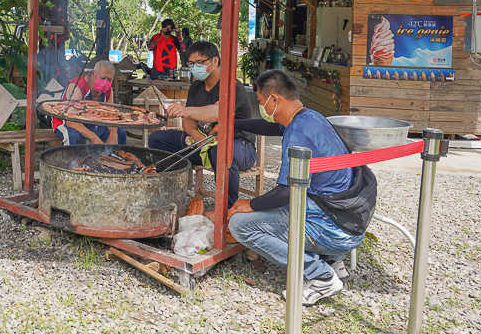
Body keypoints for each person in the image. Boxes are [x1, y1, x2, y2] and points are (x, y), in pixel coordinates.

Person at [227, 69, 376, 306]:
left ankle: (320, 275)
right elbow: (272, 128)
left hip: (334, 229)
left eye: (262, 102)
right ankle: (332, 260)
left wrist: (250, 204)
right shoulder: (311, 117)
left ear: (275, 99)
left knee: (240, 225)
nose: (263, 108)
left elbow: (286, 192)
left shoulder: (298, 133)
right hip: (348, 218)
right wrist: (232, 124)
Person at [148, 41, 254, 207]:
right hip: (204, 144)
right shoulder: (196, 86)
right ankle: (170, 195)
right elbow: (188, 122)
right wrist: (198, 137)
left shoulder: (232, 86)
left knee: (220, 151)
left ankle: (229, 209)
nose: (194, 67)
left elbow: (216, 112)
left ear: (215, 61)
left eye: (199, 63)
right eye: (191, 63)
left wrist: (186, 110)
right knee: (157, 138)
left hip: (239, 147)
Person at [51, 60, 127, 146]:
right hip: (66, 122)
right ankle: (72, 159)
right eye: (102, 78)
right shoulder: (78, 86)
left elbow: (111, 115)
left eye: (109, 79)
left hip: (93, 123)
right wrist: (94, 138)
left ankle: (117, 157)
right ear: (93, 74)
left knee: (121, 132)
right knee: (72, 135)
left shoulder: (108, 90)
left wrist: (113, 133)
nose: (106, 82)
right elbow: (70, 121)